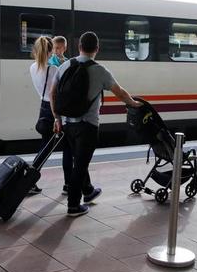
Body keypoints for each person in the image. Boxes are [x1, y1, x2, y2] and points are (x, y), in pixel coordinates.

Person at [51, 31, 142, 217]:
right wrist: (133, 103)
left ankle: (88, 191)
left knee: (78, 161)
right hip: (88, 126)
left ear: (79, 47)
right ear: (97, 49)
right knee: (81, 166)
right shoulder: (100, 70)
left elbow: (53, 93)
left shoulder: (65, 65)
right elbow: (120, 92)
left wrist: (57, 118)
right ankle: (73, 206)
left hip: (67, 124)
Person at [29, 36, 57, 195]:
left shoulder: (33, 67)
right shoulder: (53, 70)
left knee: (44, 146)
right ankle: (30, 179)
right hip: (53, 110)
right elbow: (56, 94)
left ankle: (30, 179)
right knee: (46, 148)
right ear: (51, 51)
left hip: (43, 108)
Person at [48, 35, 75, 195]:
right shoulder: (52, 63)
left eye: (59, 48)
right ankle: (70, 184)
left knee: (68, 149)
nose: (57, 51)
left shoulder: (67, 61)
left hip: (63, 108)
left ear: (64, 48)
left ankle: (69, 183)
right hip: (60, 109)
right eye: (55, 48)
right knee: (68, 149)